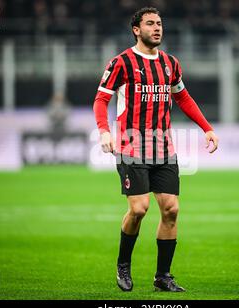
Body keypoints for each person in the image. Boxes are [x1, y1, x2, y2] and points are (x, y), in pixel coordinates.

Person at [93, 7, 218, 292]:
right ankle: (123, 265)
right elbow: (101, 100)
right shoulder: (121, 62)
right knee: (139, 209)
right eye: (150, 23)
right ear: (136, 29)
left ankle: (163, 276)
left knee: (171, 209)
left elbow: (183, 97)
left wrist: (207, 127)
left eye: (159, 23)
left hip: (163, 146)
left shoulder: (170, 63)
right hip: (130, 144)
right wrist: (103, 131)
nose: (157, 27)